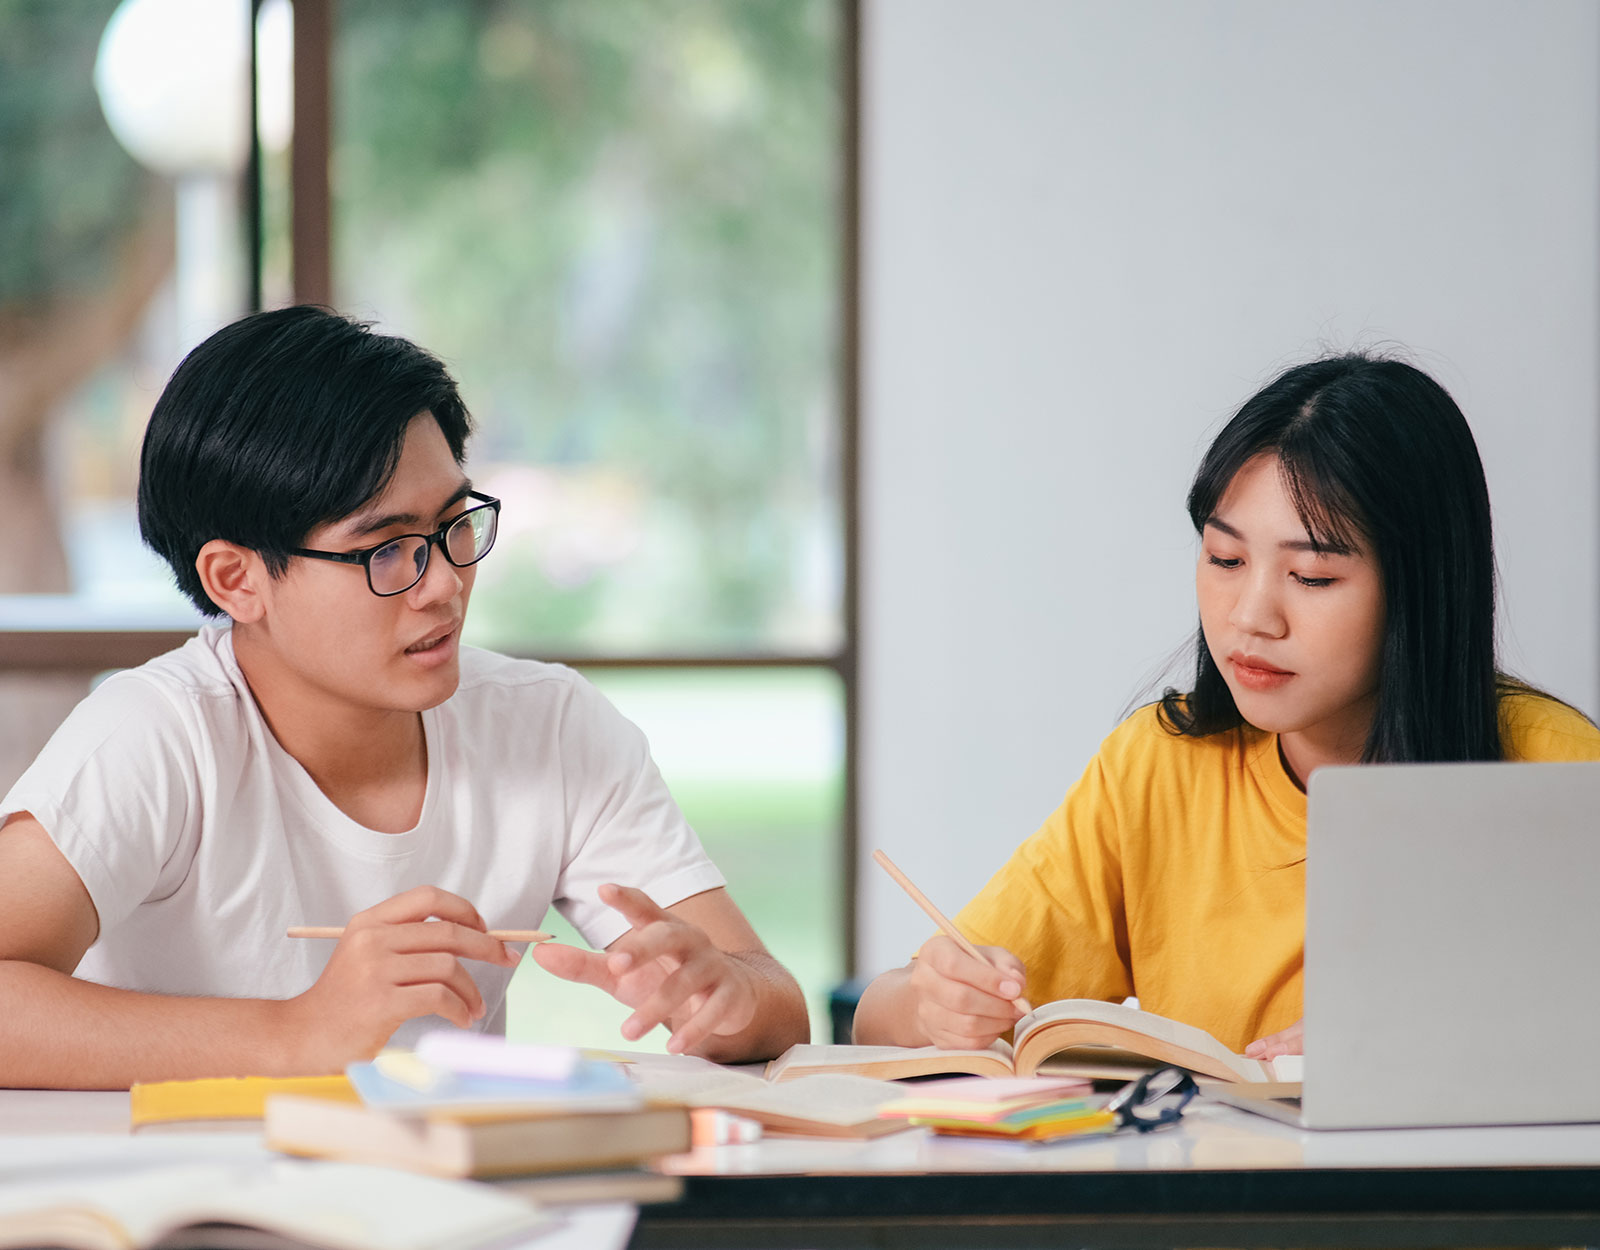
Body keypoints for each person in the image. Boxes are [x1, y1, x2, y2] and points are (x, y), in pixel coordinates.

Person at [0, 306, 809, 1087]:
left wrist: (725, 997)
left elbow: (773, 1003)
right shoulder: (156, 737)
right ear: (236, 579)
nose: (446, 584)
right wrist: (297, 1032)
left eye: (457, 525)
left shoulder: (551, 727)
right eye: (388, 551)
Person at [853, 353, 1600, 1059]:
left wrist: (1431, 1042)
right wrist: (935, 1004)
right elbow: (877, 1016)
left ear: (1421, 587)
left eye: (1311, 576)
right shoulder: (1158, 767)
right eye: (1225, 560)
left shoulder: (1558, 769)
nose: (1251, 617)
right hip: (1220, 1190)